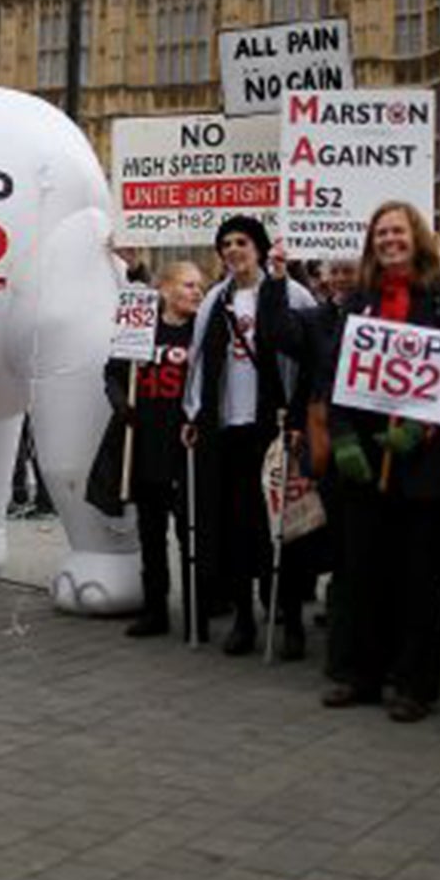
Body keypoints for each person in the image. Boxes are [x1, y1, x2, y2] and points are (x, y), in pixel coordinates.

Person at [306, 201, 440, 720]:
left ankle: (414, 684)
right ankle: (361, 673)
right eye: (381, 233)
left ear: (417, 237)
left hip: (422, 467)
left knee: (419, 579)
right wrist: (342, 439)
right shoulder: (361, 299)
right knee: (362, 572)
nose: (390, 241)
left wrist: (421, 428)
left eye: (398, 232)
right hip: (364, 463)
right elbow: (334, 372)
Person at [183, 214, 315, 658]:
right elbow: (198, 360)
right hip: (228, 427)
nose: (233, 251)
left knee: (281, 528)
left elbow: (305, 358)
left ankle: (290, 618)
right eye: (226, 244)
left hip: (273, 426)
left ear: (258, 247)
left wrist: (298, 418)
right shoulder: (215, 301)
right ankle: (243, 617)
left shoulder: (290, 294)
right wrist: (193, 411)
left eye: (241, 242)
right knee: (237, 527)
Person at [103, 260, 203, 640]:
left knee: (190, 535)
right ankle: (155, 610)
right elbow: (112, 373)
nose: (196, 292)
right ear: (165, 290)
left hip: (187, 449)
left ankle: (197, 608)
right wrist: (121, 404)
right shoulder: (142, 330)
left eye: (199, 286)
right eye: (188, 285)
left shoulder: (202, 331)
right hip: (146, 446)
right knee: (151, 535)